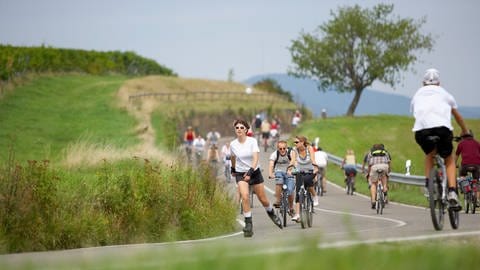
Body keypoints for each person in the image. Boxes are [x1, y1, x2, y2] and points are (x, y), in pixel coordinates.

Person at [410, 68, 468, 211]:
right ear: (439, 83)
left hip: (421, 131)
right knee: (449, 159)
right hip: (442, 129)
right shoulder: (445, 93)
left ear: (423, 83)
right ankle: (453, 192)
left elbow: (414, 111)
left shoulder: (418, 94)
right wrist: (465, 131)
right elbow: (457, 116)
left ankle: (428, 185)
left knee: (430, 153)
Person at [230, 119, 282, 237]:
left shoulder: (252, 141)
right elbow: (233, 158)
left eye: (241, 127)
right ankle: (249, 225)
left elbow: (255, 158)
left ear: (246, 130)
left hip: (254, 172)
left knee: (263, 199)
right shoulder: (233, 144)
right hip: (240, 173)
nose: (239, 129)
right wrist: (233, 169)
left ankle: (271, 213)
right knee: (245, 196)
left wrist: (250, 172)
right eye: (237, 127)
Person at [288, 135, 319, 222]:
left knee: (308, 180)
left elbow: (313, 159)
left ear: (302, 142)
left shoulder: (309, 148)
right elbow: (293, 160)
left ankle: (315, 196)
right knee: (298, 191)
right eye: (294, 142)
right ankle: (297, 214)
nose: (295, 144)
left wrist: (315, 168)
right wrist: (290, 168)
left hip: (310, 170)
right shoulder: (294, 150)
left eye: (297, 142)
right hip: (300, 171)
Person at [268, 140, 295, 215]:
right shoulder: (274, 154)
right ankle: (278, 200)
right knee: (279, 181)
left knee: (290, 190)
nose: (282, 150)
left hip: (289, 171)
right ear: (277, 148)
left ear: (286, 148)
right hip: (279, 171)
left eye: (284, 148)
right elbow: (271, 164)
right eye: (280, 148)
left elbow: (293, 161)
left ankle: (291, 207)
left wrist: (290, 170)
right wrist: (270, 174)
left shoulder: (291, 152)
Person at [455, 131, 480, 205]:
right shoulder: (477, 143)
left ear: (463, 136)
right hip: (476, 165)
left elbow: (456, 155)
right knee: (477, 181)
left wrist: (454, 164)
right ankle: (477, 199)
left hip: (465, 165)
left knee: (462, 176)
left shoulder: (461, 144)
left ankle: (465, 188)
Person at [365, 143, 391, 209]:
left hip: (374, 167)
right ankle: (385, 189)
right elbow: (389, 162)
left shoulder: (371, 153)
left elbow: (369, 164)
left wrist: (368, 173)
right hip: (384, 166)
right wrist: (388, 170)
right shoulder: (385, 152)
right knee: (384, 177)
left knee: (373, 183)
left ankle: (373, 201)